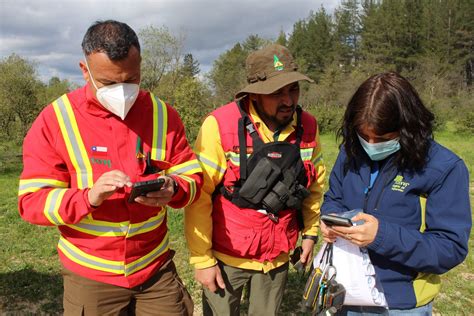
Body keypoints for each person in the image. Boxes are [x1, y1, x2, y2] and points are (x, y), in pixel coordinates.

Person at [18, 20, 202, 315]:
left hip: (155, 268)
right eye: (108, 83)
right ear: (84, 70)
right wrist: (88, 198)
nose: (122, 92)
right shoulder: (55, 120)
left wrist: (175, 188)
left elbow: (192, 175)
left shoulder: (163, 114)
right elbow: (31, 202)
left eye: (132, 79)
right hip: (91, 276)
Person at [185, 44, 326, 315]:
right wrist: (202, 260)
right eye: (277, 92)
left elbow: (314, 186)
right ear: (255, 94)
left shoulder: (308, 126)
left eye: (293, 89)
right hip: (226, 257)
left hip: (277, 258)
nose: (288, 100)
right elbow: (199, 196)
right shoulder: (220, 125)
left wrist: (309, 234)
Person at [320, 72, 471, 314]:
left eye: (381, 138)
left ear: (408, 127)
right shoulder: (350, 150)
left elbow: (449, 247)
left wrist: (381, 236)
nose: (370, 144)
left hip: (399, 303)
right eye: (363, 135)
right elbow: (334, 197)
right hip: (343, 292)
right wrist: (329, 219)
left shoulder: (444, 167)